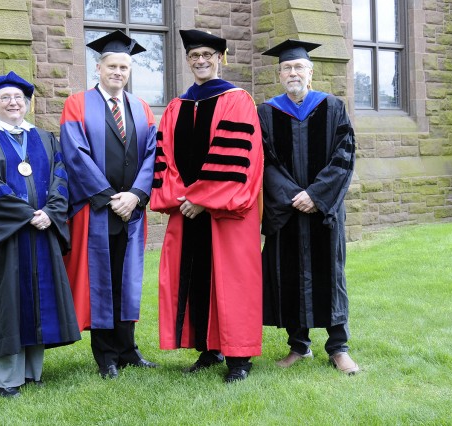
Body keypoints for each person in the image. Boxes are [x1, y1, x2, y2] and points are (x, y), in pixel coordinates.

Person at [0, 71, 81, 398]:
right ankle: (7, 379)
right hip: (2, 240)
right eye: (5, 98)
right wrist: (27, 215)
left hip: (40, 236)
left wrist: (51, 213)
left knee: (38, 300)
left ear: (26, 104)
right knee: (5, 302)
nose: (13, 103)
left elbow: (61, 179)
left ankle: (32, 372)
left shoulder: (43, 138)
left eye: (19, 99)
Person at [150, 30, 263, 383]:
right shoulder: (176, 106)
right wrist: (183, 197)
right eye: (194, 55)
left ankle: (239, 358)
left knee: (233, 281)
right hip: (187, 211)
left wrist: (200, 199)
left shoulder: (238, 100)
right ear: (188, 60)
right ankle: (208, 347)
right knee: (196, 277)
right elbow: (164, 156)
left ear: (220, 58)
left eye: (208, 55)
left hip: (225, 213)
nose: (201, 60)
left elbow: (238, 159)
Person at [59, 30, 158, 379]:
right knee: (101, 281)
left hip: (131, 210)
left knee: (127, 279)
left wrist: (136, 196)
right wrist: (108, 197)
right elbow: (75, 153)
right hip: (97, 209)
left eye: (124, 67)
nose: (118, 72)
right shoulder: (77, 104)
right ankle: (106, 356)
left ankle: (128, 349)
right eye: (112, 66)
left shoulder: (141, 107)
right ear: (98, 68)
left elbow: (151, 155)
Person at [258, 39, 359, 374]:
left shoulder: (332, 108)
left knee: (330, 274)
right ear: (279, 74)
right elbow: (264, 162)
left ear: (310, 73)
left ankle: (338, 347)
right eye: (286, 67)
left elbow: (344, 156)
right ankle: (299, 346)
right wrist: (292, 196)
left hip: (323, 211)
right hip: (287, 211)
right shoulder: (268, 113)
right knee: (287, 273)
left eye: (298, 66)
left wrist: (316, 195)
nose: (292, 72)